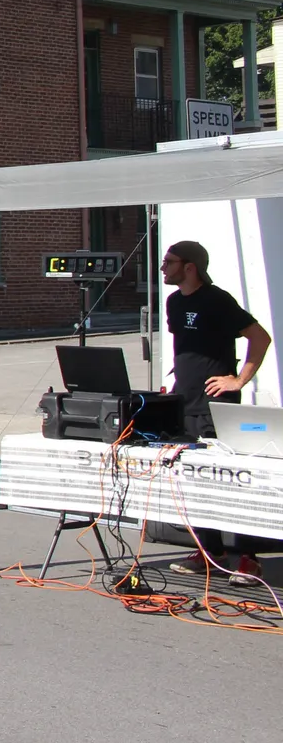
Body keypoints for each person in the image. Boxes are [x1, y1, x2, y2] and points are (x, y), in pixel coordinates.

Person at [161, 240, 272, 583]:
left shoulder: (217, 300)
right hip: (185, 404)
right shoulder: (174, 302)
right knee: (193, 482)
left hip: (214, 408)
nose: (163, 267)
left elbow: (260, 337)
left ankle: (248, 559)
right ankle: (209, 552)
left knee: (227, 482)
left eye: (169, 262)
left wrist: (238, 380)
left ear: (190, 266)